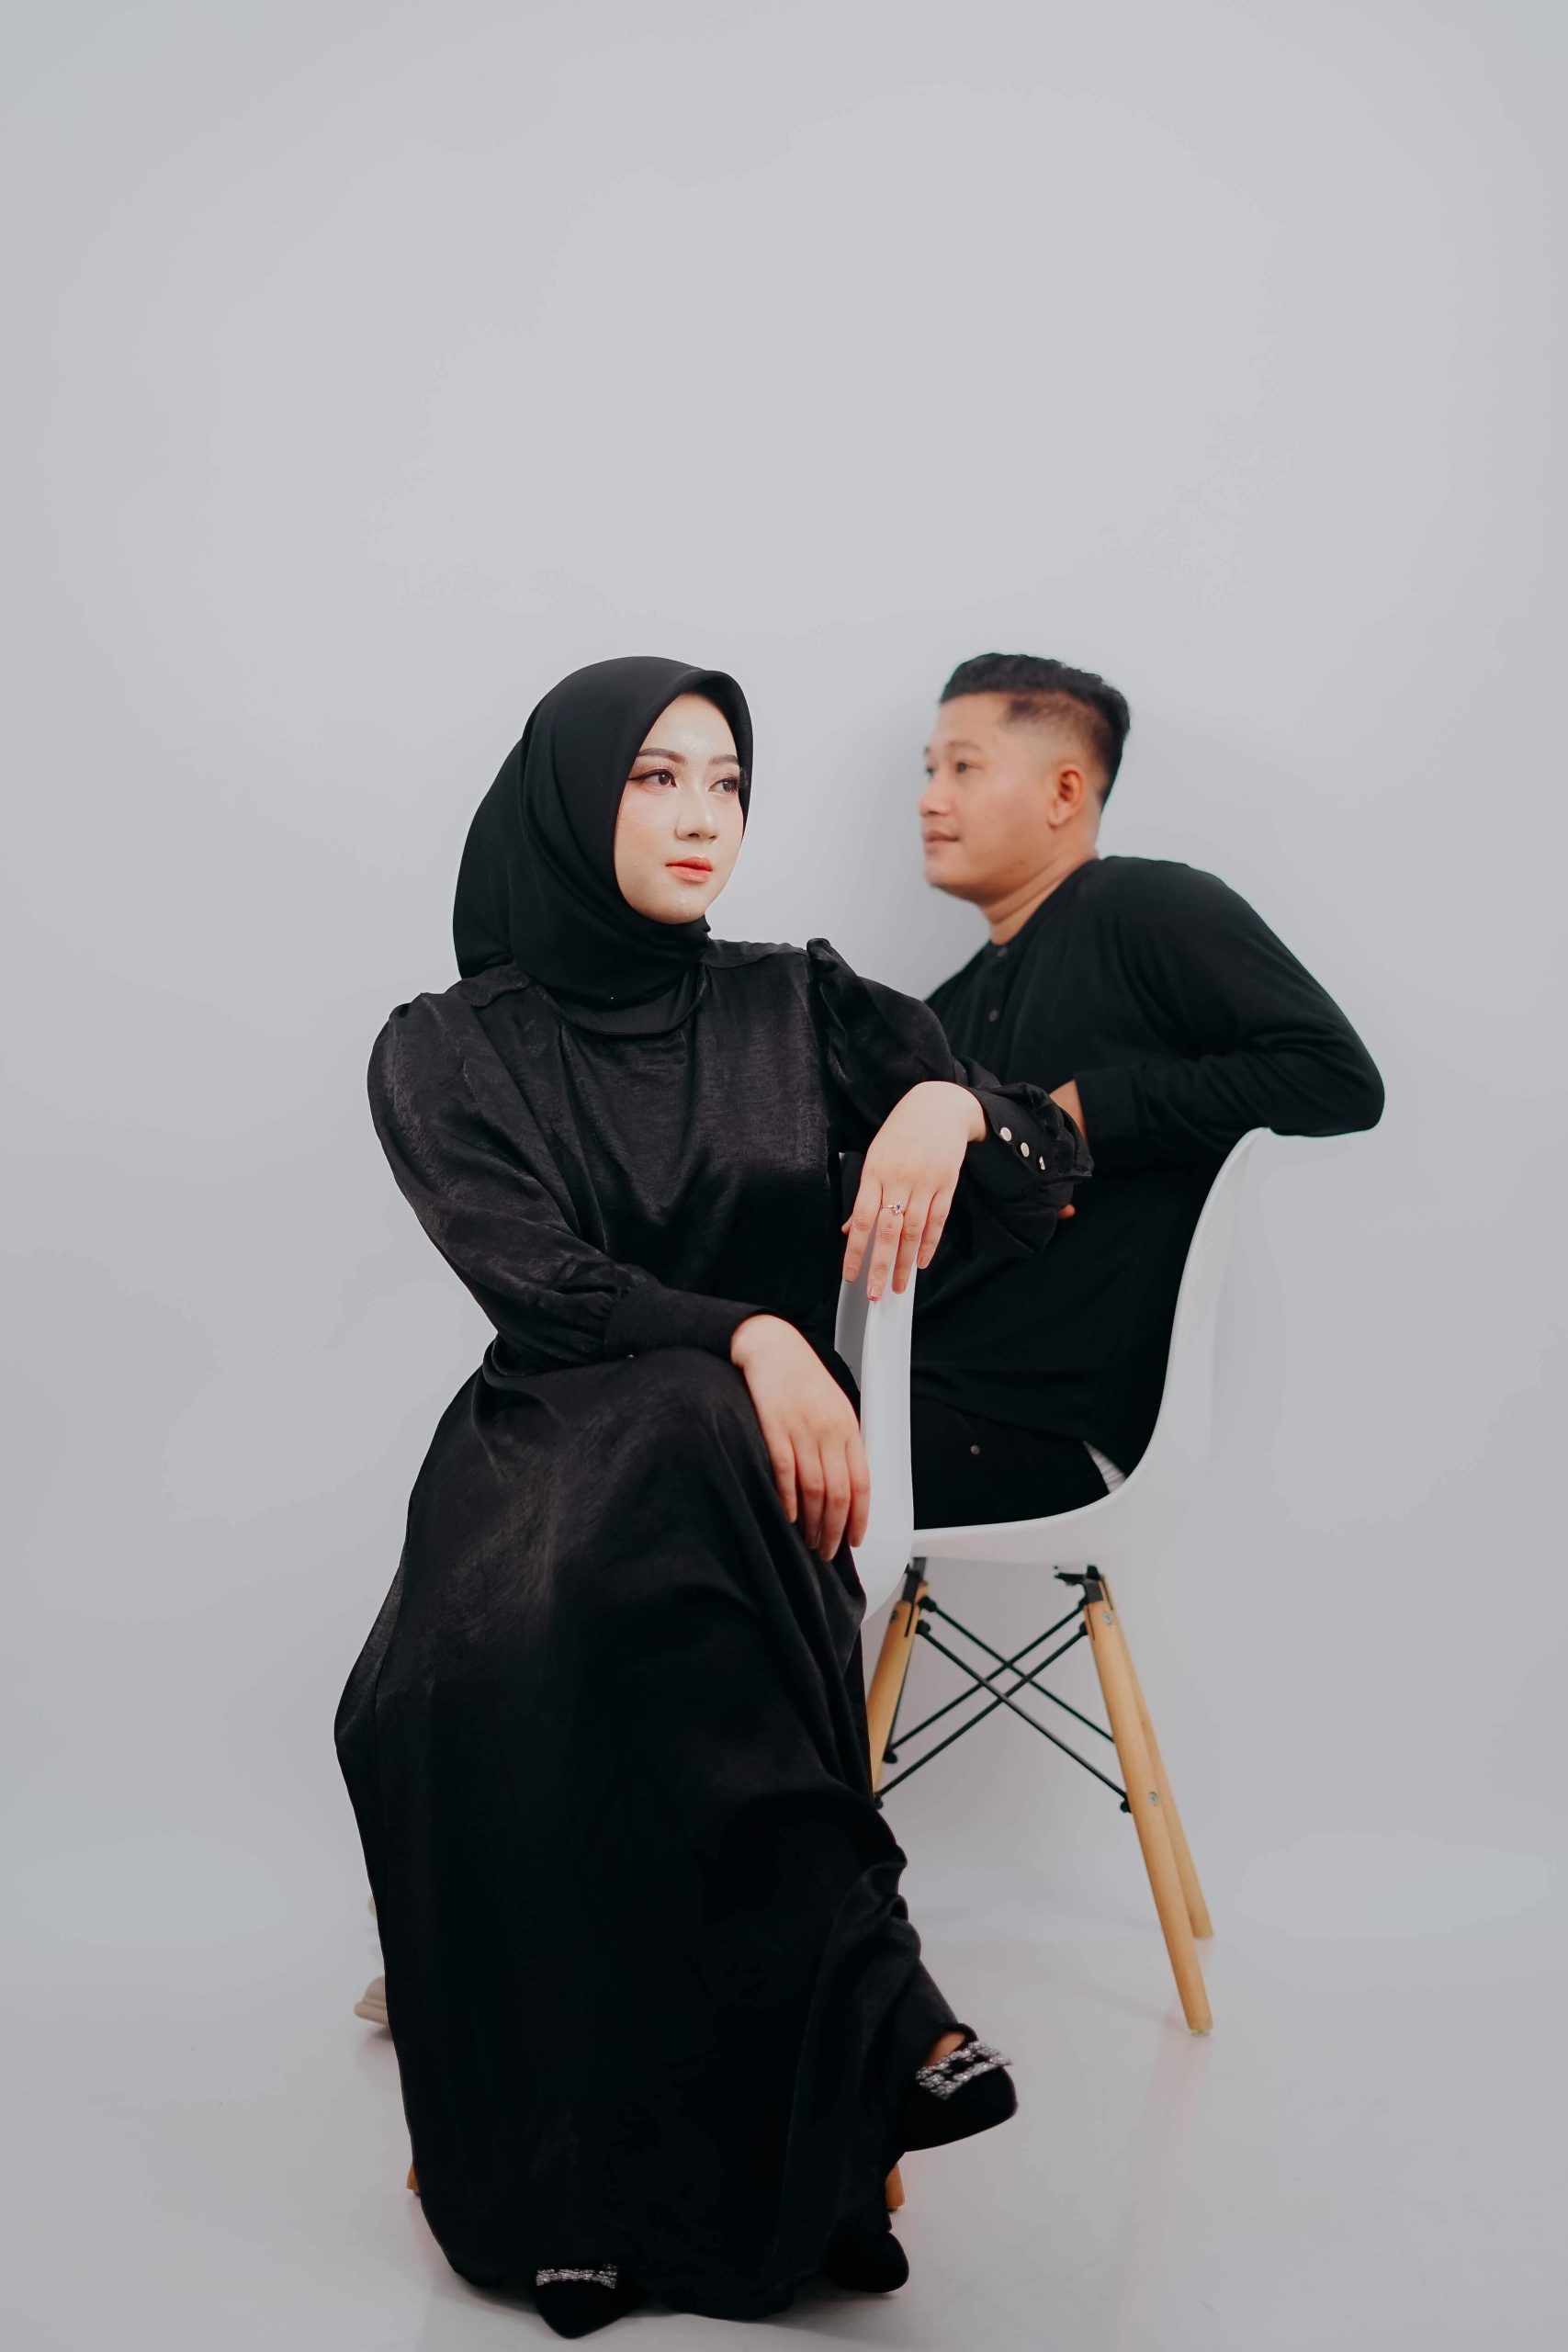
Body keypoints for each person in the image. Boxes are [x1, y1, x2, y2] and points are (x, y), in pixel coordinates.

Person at [333, 655, 1090, 2333]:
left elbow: (1044, 1180)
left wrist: (946, 1103)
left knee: (695, 1444)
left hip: (746, 1495)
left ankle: (830, 2052)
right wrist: (752, 1334)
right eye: (655, 777)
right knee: (671, 1424)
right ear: (565, 800)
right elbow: (542, 1287)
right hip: (534, 1487)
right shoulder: (444, 1049)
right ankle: (876, 2010)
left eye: (727, 781)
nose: (703, 817)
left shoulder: (794, 1006)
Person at [909, 652, 1385, 1528]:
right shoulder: (945, 1008)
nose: (930, 799)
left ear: (1064, 792)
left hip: (1047, 1431)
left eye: (963, 768)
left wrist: (1083, 1111)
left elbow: (1336, 1078)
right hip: (920, 1397)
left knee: (708, 1461)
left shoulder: (1145, 906)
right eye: (929, 770)